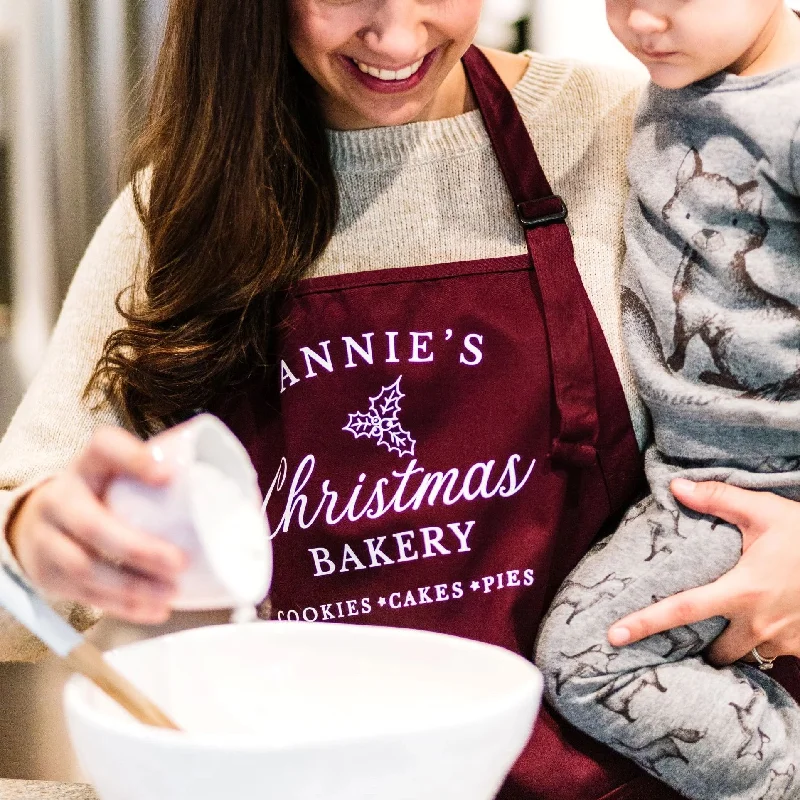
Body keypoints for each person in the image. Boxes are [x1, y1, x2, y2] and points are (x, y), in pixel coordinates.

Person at [1, 2, 800, 798]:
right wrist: (35, 533)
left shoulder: (627, 128)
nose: (397, 38)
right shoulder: (181, 213)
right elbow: (16, 579)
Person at [535, 1, 800, 797]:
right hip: (687, 472)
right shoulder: (686, 79)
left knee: (587, 660)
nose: (643, 21)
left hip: (754, 487)